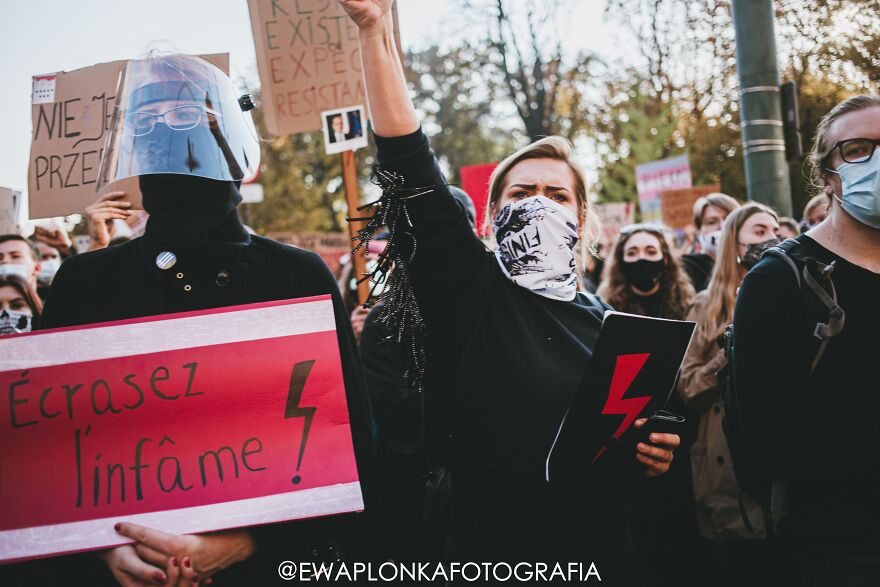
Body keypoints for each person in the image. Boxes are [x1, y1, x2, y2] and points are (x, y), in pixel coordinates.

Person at [337, 1, 679, 578]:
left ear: (582, 215)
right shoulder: (468, 292)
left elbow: (619, 440)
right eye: (521, 194)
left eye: (556, 193)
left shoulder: (605, 323)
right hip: (491, 553)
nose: (539, 203)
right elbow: (408, 161)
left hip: (600, 553)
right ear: (491, 218)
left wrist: (651, 452)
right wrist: (374, 31)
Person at [27, 53, 377, 587]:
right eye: (146, 119)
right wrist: (103, 552)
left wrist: (246, 544)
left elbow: (352, 455)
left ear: (226, 132)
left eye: (185, 114)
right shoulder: (85, 283)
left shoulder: (294, 278)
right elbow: (43, 460)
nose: (165, 130)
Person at [729, 94, 880, 584]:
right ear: (829, 173)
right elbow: (766, 442)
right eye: (858, 148)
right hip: (839, 548)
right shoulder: (781, 278)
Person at [677, 203, 781, 584]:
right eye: (758, 231)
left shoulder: (790, 294)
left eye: (774, 229)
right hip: (727, 464)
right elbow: (687, 387)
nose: (771, 238)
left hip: (782, 449)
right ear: (733, 244)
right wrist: (731, 346)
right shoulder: (705, 306)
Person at [597, 223, 695, 320]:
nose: (641, 258)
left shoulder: (686, 305)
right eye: (631, 253)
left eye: (651, 252)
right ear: (621, 260)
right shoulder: (605, 308)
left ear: (665, 259)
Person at [681, 193, 741, 292]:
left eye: (729, 219)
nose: (722, 226)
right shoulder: (686, 268)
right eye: (711, 222)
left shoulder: (748, 267)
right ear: (699, 232)